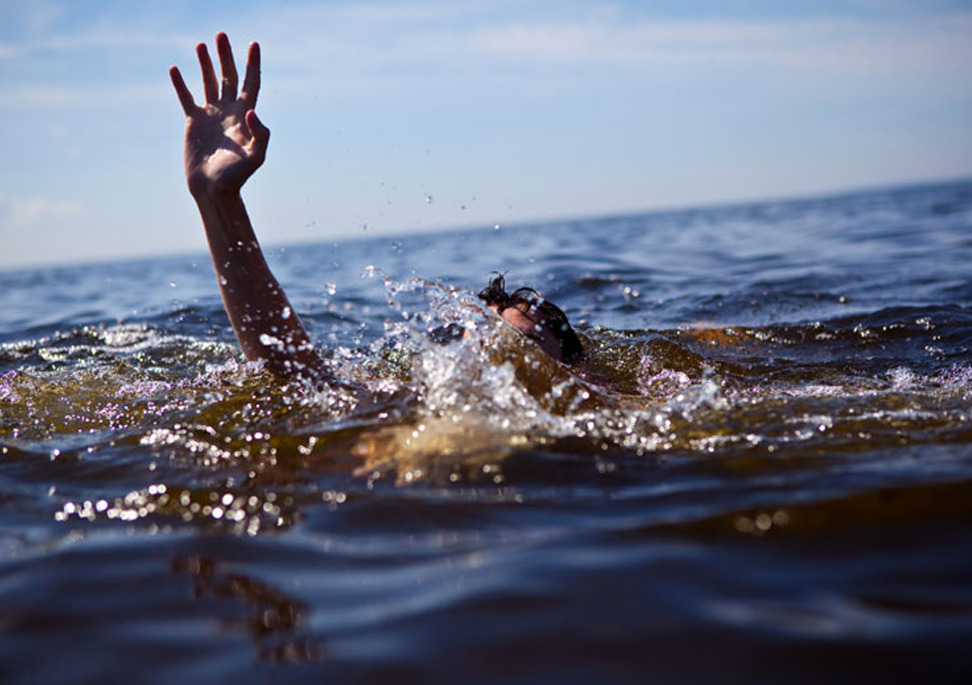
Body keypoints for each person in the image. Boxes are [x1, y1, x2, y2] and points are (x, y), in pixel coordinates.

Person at [170, 33, 582, 384]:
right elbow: (296, 377)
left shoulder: (601, 417)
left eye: (524, 343)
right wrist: (217, 201)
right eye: (486, 342)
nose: (497, 354)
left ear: (578, 374)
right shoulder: (416, 407)